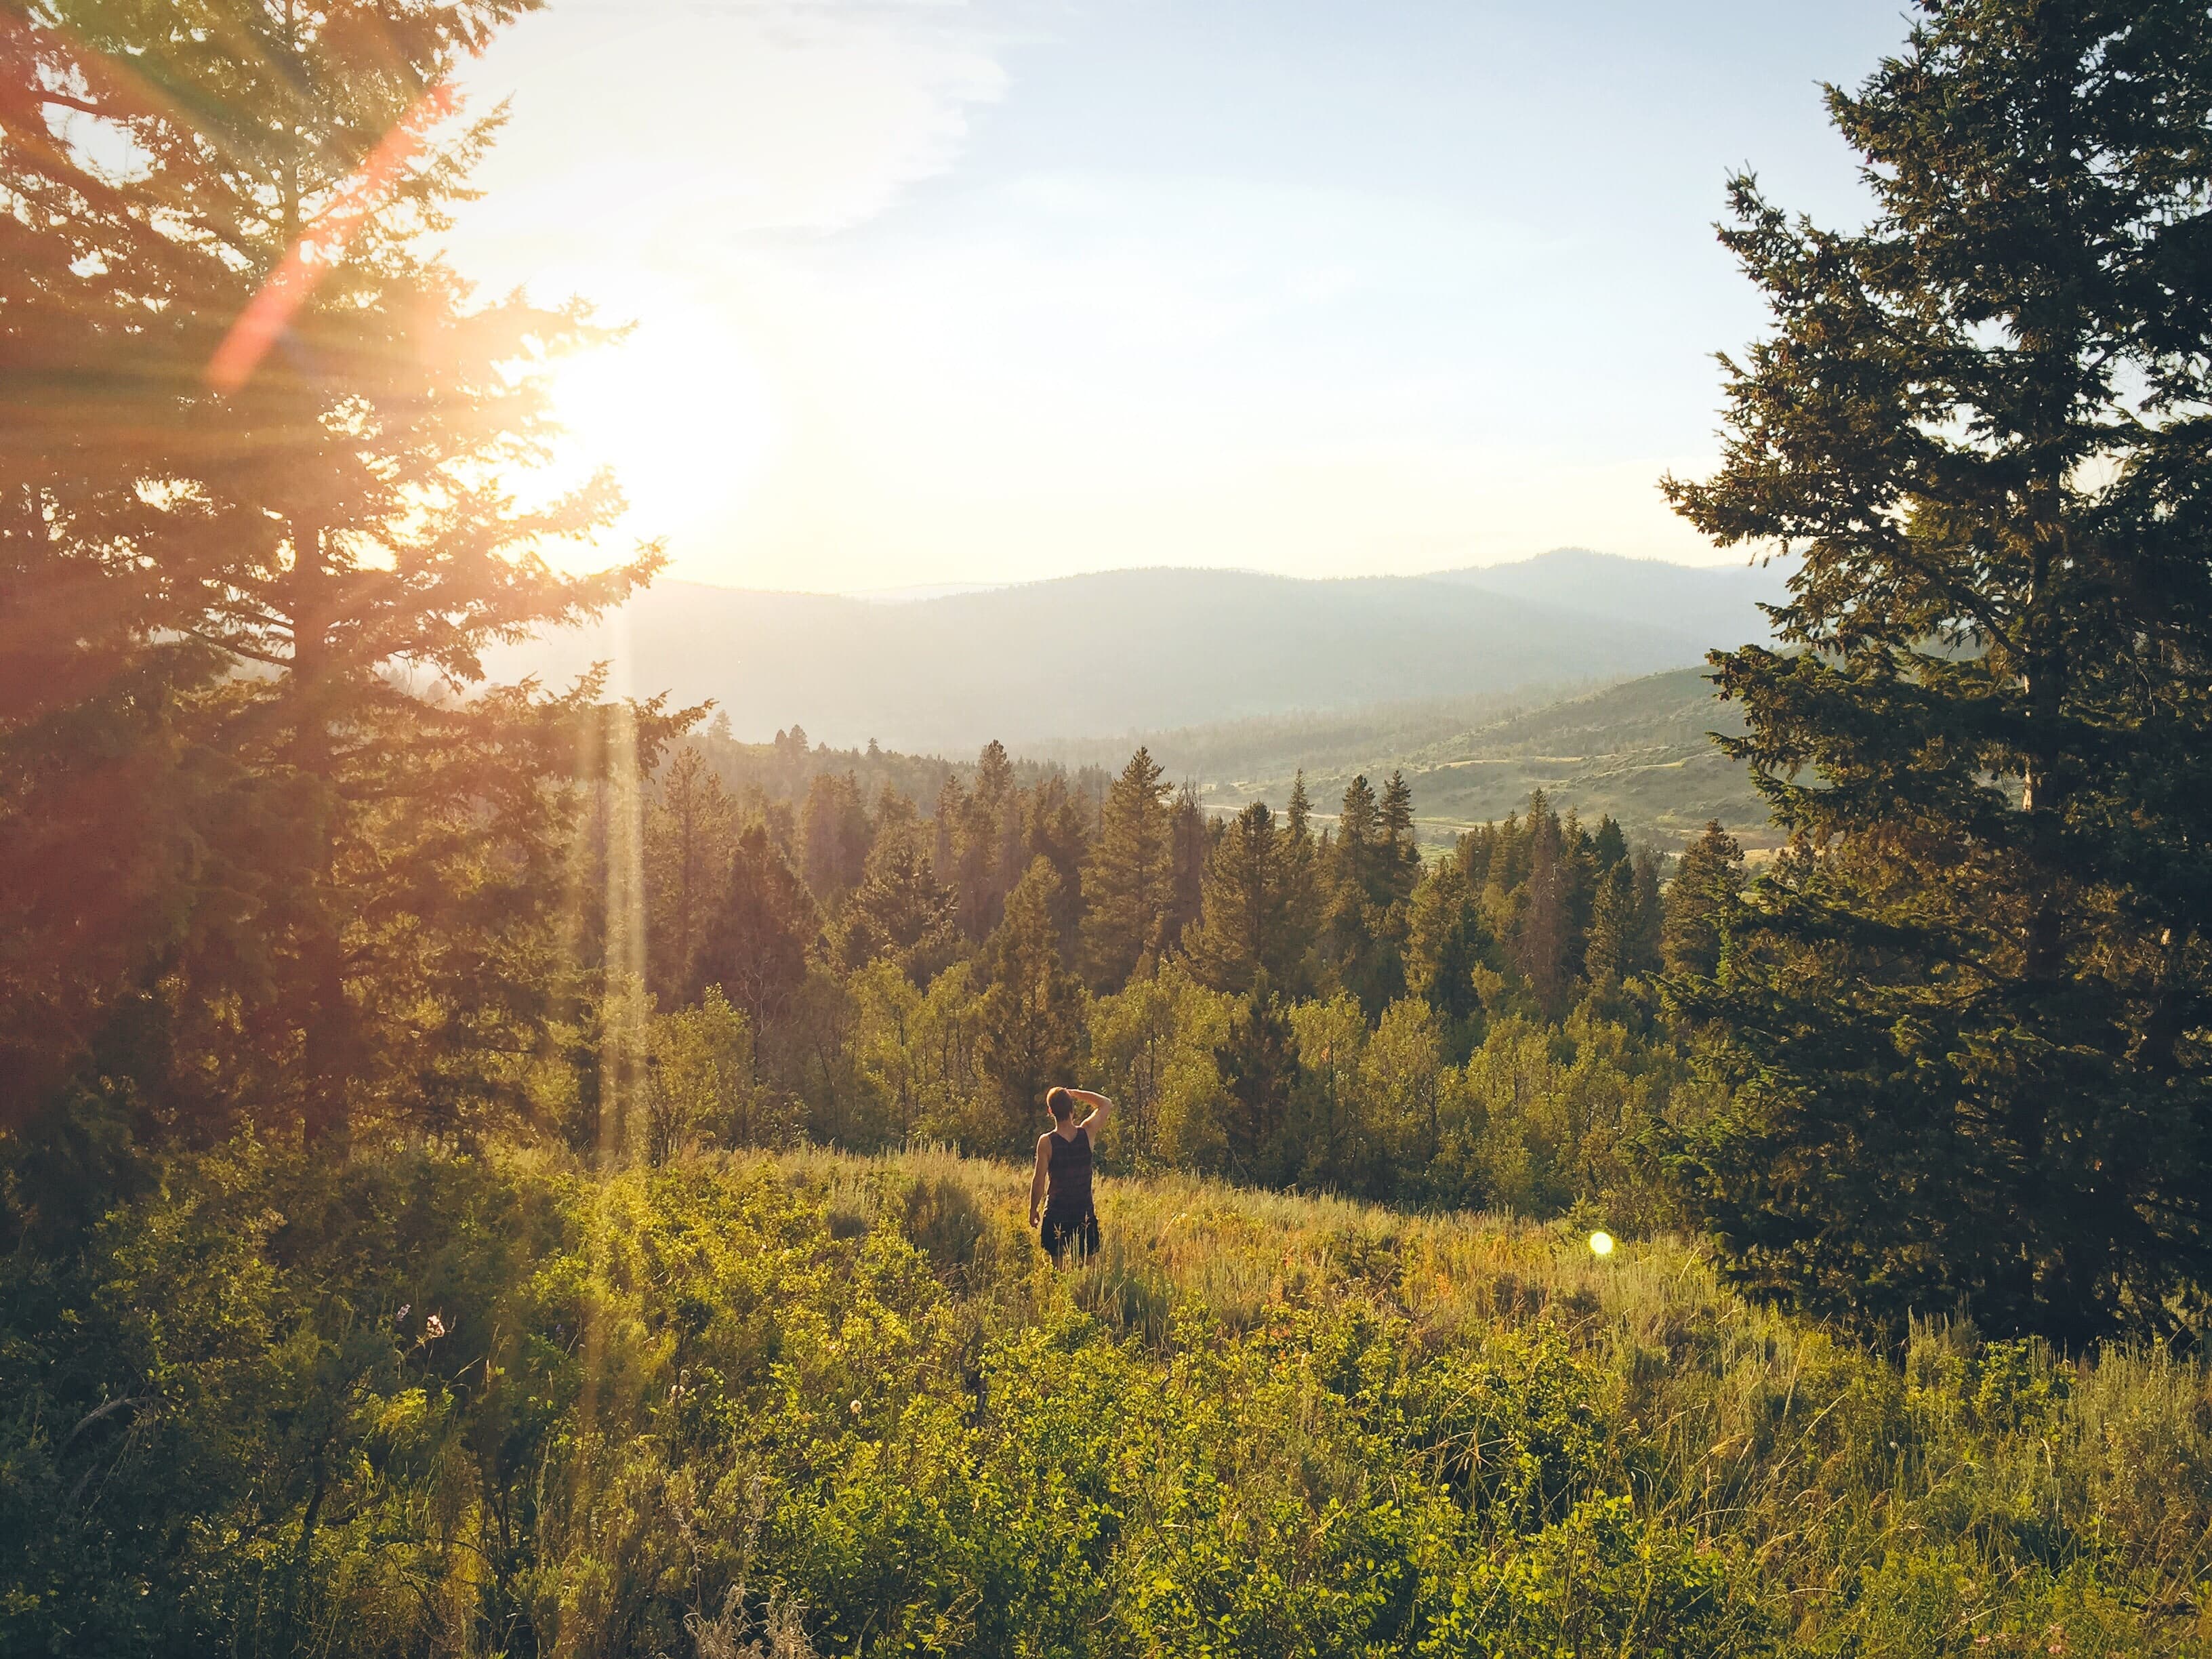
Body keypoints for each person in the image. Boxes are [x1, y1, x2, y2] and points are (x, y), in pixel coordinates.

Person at [1030, 1085, 1111, 1263]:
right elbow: (1106, 1103)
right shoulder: (1087, 1132)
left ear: (1050, 1111)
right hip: (1084, 1214)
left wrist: (1033, 1209)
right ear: (1072, 1109)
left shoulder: (1046, 1142)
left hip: (1056, 1214)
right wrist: (1076, 1093)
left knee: (1058, 1273)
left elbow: (1038, 1182)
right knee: (1087, 1271)